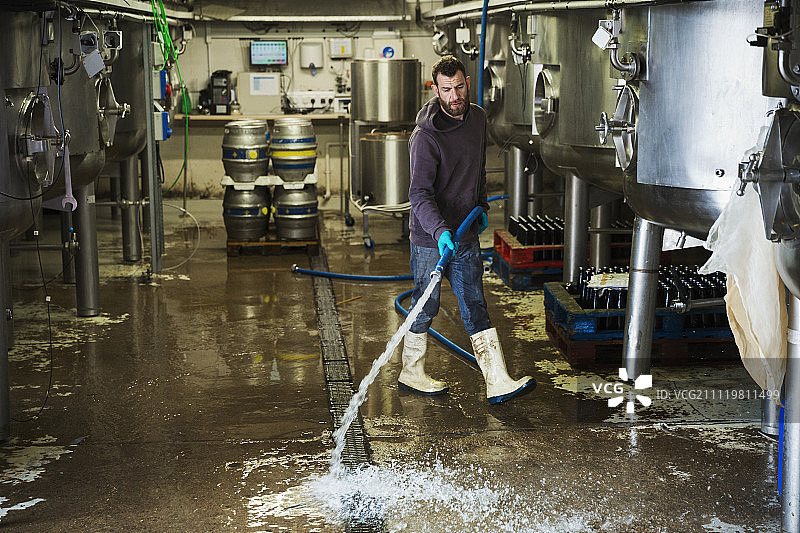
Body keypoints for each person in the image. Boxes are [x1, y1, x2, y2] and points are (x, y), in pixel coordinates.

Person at [399, 55, 536, 405]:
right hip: (433, 238)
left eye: (459, 86)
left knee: (474, 302)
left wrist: (483, 205)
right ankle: (411, 371)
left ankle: (497, 380)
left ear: (468, 82)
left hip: (466, 230)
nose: (454, 95)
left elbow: (477, 171)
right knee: (426, 305)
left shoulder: (478, 118)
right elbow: (418, 194)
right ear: (435, 89)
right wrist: (440, 230)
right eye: (446, 90)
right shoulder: (425, 137)